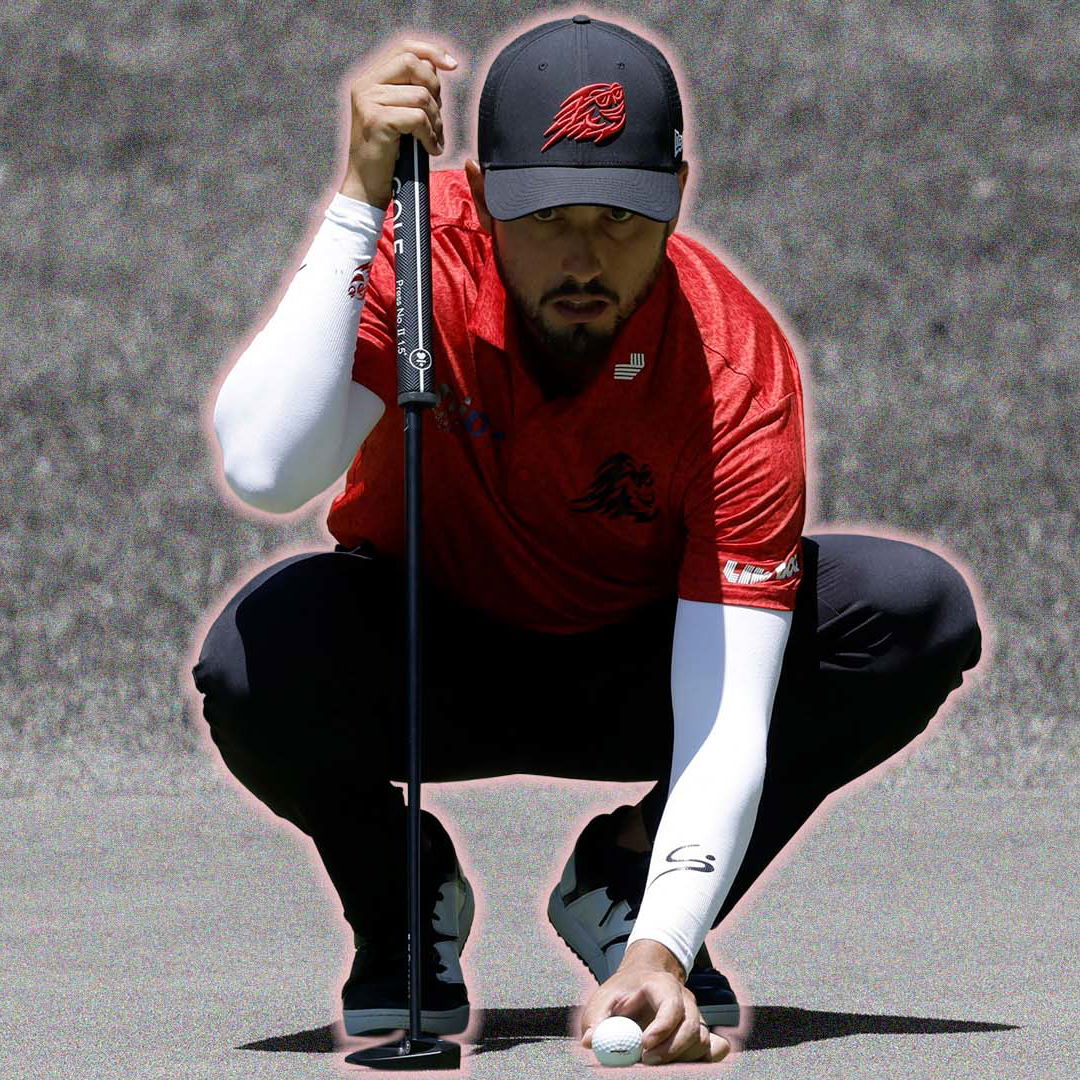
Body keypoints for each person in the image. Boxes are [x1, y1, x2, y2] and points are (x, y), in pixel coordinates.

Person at [191, 14, 983, 1067]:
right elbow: (263, 468)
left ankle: (626, 882)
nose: (581, 256)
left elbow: (728, 714)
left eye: (619, 217)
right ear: (477, 193)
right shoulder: (417, 267)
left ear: (678, 196)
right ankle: (401, 898)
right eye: (545, 215)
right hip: (435, 657)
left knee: (911, 609)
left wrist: (665, 943)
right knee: (257, 654)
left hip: (638, 666)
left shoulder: (731, 362)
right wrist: (356, 201)